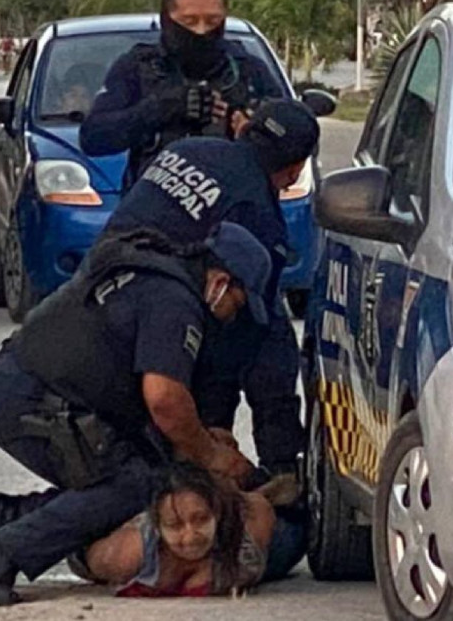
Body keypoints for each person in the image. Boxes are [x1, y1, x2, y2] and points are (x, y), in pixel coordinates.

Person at [0, 223, 272, 606]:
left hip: (32, 386)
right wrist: (211, 455)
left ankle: (12, 516)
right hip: (29, 398)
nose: (231, 316)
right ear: (220, 283)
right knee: (135, 484)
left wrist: (202, 437)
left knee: (141, 473)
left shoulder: (158, 275)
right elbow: (164, 400)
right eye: (237, 304)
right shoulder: (174, 301)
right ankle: (2, 552)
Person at [101, 99, 321, 580]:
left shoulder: (190, 149)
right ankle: (281, 483)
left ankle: (35, 522)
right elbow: (247, 332)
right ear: (293, 171)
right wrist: (220, 441)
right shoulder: (258, 215)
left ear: (244, 130)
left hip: (98, 304)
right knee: (266, 338)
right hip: (168, 322)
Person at [80, 0, 281, 191]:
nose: (201, 31)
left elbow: (295, 137)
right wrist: (162, 108)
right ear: (167, 19)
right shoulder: (138, 67)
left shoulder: (249, 70)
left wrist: (254, 129)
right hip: (153, 203)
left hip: (235, 201)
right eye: (189, 21)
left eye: (212, 21)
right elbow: (93, 138)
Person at [79, 461, 276, 597]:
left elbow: (260, 505)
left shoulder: (248, 527)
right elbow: (84, 559)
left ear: (216, 512)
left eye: (201, 519)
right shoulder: (125, 555)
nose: (190, 536)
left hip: (273, 550)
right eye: (174, 525)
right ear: (157, 525)